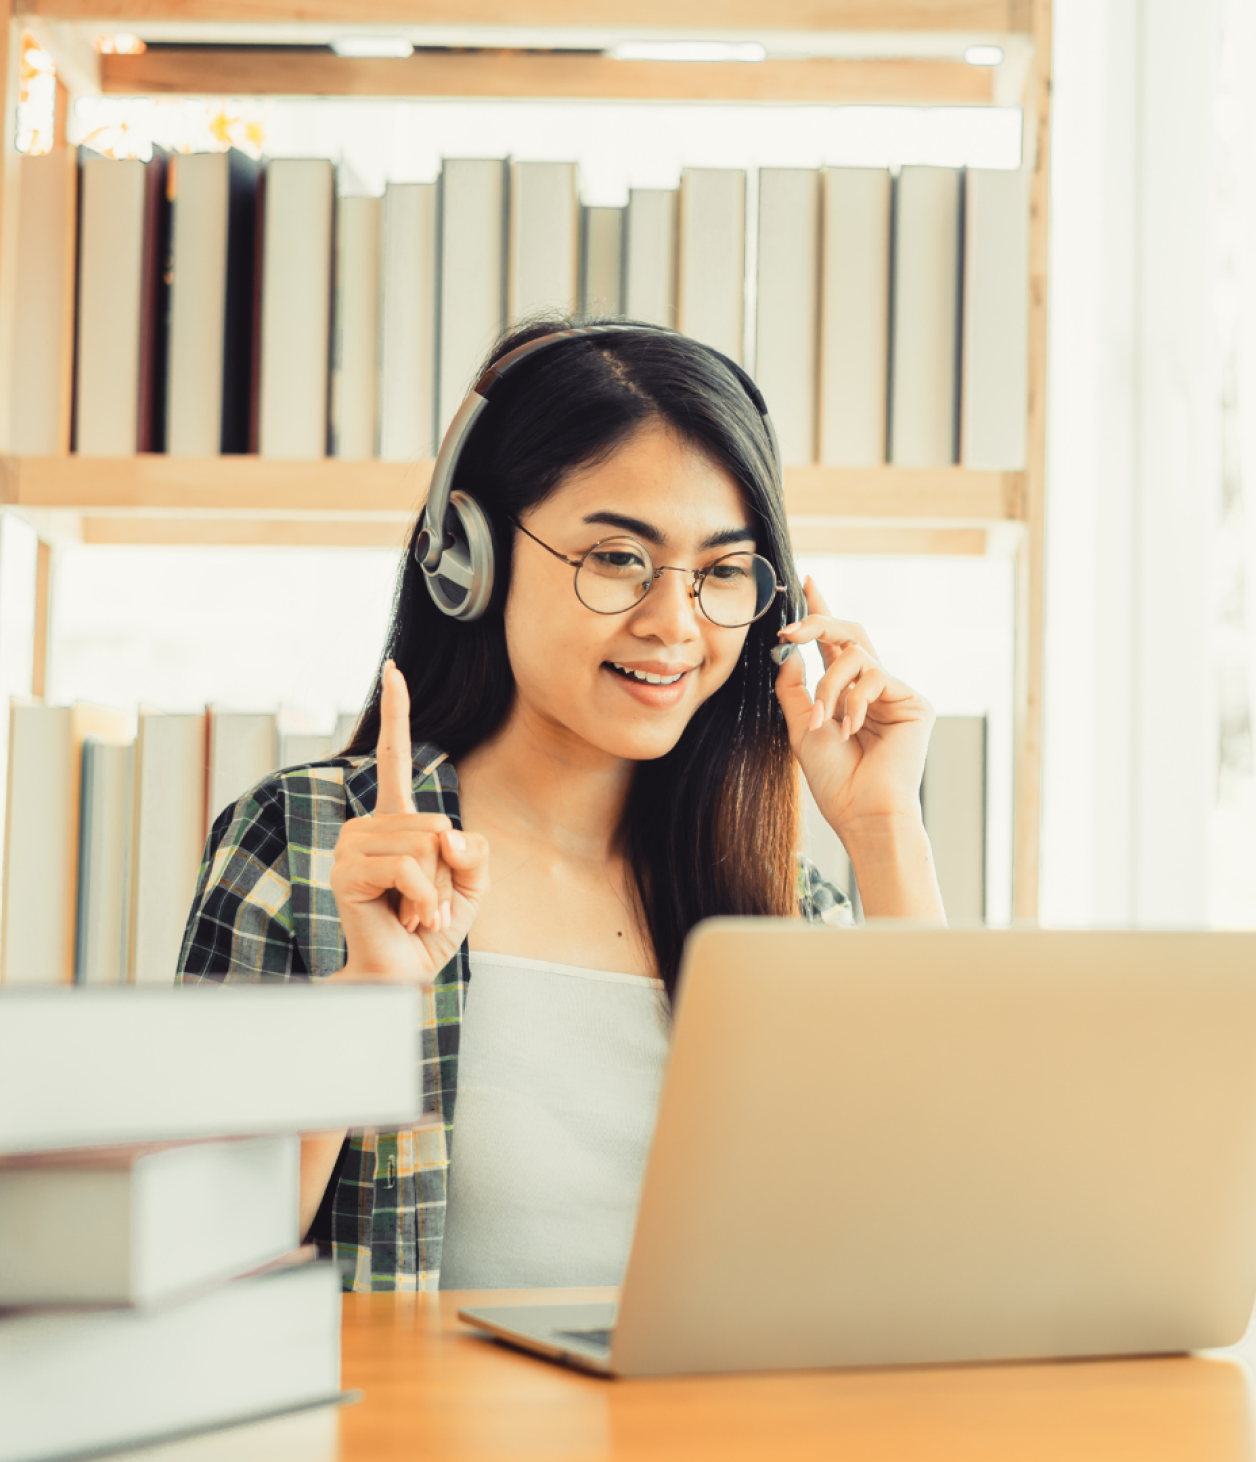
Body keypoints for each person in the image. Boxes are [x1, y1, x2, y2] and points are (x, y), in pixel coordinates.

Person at [178, 318, 945, 1292]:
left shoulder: (787, 902)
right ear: (471, 554)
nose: (673, 623)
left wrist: (884, 833)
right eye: (619, 558)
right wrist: (368, 997)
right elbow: (191, 1262)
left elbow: (938, 1244)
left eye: (718, 572)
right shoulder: (312, 845)